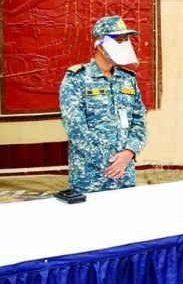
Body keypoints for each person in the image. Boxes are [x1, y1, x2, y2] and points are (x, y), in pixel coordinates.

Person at [60, 15, 147, 193]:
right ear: (100, 45)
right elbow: (75, 128)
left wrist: (128, 153)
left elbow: (139, 121)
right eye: (119, 40)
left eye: (126, 39)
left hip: (124, 175)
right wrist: (108, 162)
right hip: (90, 177)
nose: (125, 44)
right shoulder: (76, 79)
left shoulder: (127, 79)